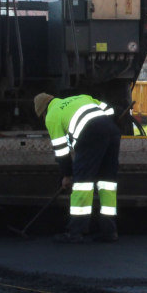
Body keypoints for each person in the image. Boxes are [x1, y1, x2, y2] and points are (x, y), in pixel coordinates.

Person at [34, 92, 121, 243]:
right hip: (112, 131)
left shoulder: (52, 116)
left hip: (90, 135)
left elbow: (62, 151)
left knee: (83, 185)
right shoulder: (81, 97)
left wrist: (67, 175)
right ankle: (109, 231)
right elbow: (109, 110)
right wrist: (106, 127)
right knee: (107, 183)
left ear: (42, 112)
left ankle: (75, 232)